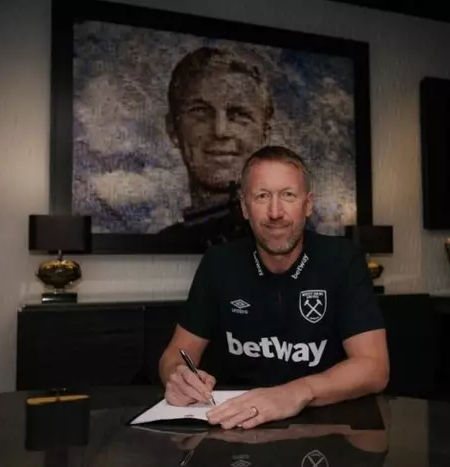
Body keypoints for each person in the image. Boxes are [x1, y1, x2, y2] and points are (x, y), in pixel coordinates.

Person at [158, 145, 389, 430]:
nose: (275, 212)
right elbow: (175, 354)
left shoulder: (343, 260)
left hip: (323, 425)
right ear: (245, 207)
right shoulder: (219, 262)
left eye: (288, 195)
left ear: (308, 204)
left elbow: (374, 368)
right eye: (262, 196)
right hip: (235, 425)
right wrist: (178, 377)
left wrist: (294, 393)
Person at [154, 46, 274, 249]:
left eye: (239, 115)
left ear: (264, 135)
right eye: (201, 112)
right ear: (173, 129)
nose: (220, 131)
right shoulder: (161, 246)